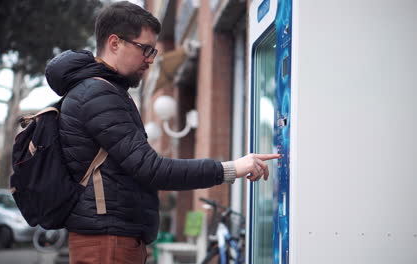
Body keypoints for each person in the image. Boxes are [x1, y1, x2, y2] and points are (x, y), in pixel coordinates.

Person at [45, 1, 280, 263]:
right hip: (108, 242)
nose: (149, 59)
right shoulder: (98, 94)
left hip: (110, 238)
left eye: (153, 51)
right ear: (114, 43)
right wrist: (232, 168)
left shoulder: (99, 91)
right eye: (144, 49)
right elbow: (152, 169)